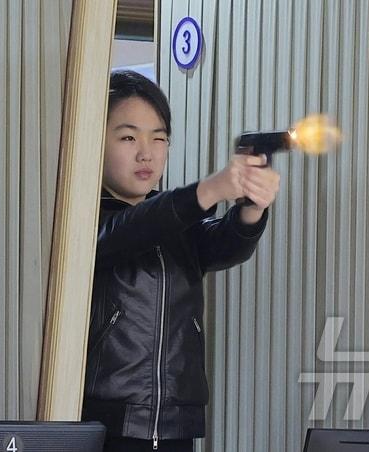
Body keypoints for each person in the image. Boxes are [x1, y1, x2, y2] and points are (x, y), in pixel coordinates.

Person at [81, 70, 281, 451]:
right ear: (94, 140)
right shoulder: (84, 219)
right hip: (105, 420)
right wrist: (210, 189)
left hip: (178, 420)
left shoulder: (177, 223)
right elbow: (130, 230)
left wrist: (251, 206)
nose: (147, 153)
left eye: (159, 138)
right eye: (128, 137)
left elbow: (225, 244)